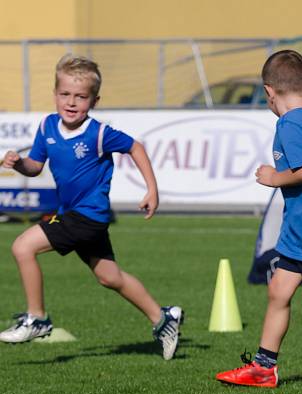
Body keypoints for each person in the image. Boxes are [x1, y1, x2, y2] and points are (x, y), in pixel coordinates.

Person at [0, 54, 183, 359]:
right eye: (65, 94)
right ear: (55, 95)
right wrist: (19, 165)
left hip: (86, 216)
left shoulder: (98, 133)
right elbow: (35, 166)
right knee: (110, 277)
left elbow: (135, 147)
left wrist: (152, 189)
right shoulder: (47, 126)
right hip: (76, 216)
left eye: (81, 97)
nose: (71, 102)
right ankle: (163, 319)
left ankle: (37, 318)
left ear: (94, 101)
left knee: (22, 247)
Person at [215, 50, 302, 387]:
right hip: (300, 232)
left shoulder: (291, 123)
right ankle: (264, 368)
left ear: (268, 92)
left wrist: (273, 177)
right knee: (278, 291)